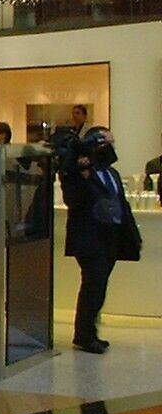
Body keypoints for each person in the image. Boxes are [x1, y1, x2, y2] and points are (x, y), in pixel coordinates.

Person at [59, 127, 141, 354]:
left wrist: (133, 235)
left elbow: (121, 205)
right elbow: (73, 200)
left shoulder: (112, 174)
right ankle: (84, 334)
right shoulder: (77, 171)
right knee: (93, 284)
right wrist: (81, 174)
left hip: (110, 238)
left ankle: (89, 331)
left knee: (99, 285)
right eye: (107, 143)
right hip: (88, 237)